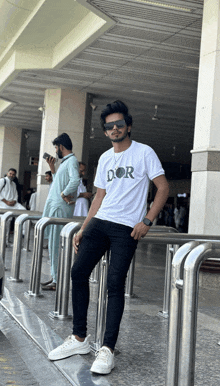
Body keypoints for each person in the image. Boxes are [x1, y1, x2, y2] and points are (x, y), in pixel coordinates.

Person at [48, 101, 169, 374]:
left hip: (127, 226)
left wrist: (147, 221)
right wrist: (83, 227)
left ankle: (107, 348)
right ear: (105, 131)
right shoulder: (104, 158)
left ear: (128, 127)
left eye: (119, 125)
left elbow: (162, 187)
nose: (114, 129)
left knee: (115, 283)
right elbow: (99, 197)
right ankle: (80, 338)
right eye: (109, 126)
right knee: (78, 272)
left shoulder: (144, 152)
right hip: (101, 222)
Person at [41, 133, 80, 291]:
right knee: (53, 242)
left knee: (56, 243)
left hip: (60, 206)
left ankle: (57, 280)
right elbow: (62, 181)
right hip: (55, 205)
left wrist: (64, 194)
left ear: (61, 147)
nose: (56, 150)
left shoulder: (72, 161)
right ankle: (55, 276)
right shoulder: (66, 162)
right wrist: (53, 170)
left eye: (56, 147)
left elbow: (75, 180)